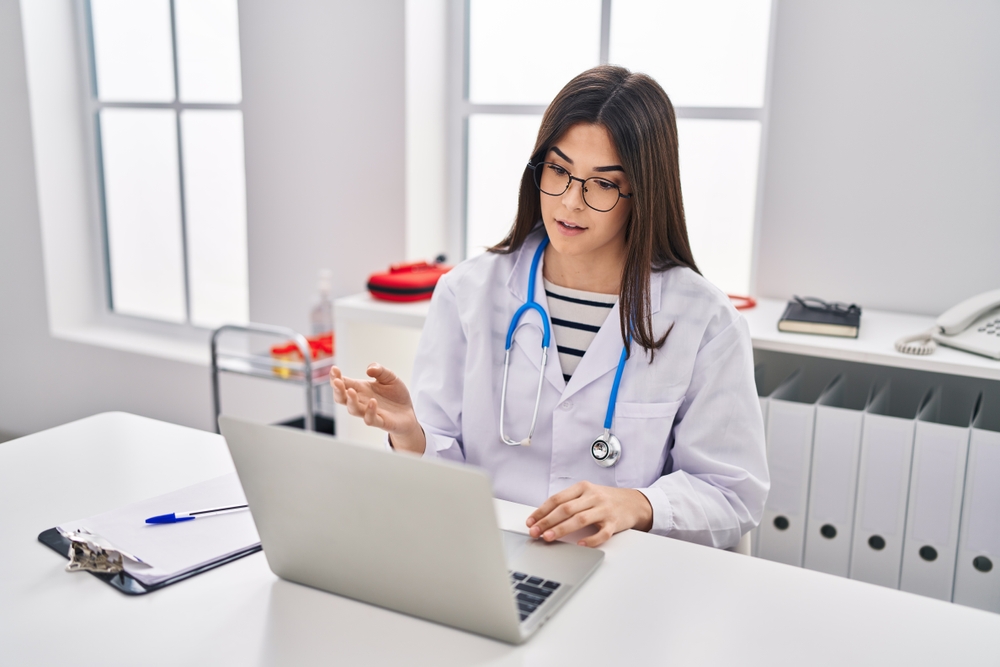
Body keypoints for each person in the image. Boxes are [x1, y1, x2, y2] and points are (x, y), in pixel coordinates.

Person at [331, 65, 768, 549]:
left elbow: (732, 493)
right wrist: (411, 434)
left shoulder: (703, 320)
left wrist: (640, 505)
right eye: (558, 171)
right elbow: (443, 466)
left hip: (623, 567)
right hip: (489, 556)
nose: (570, 203)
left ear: (643, 192)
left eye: (602, 184)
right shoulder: (468, 293)